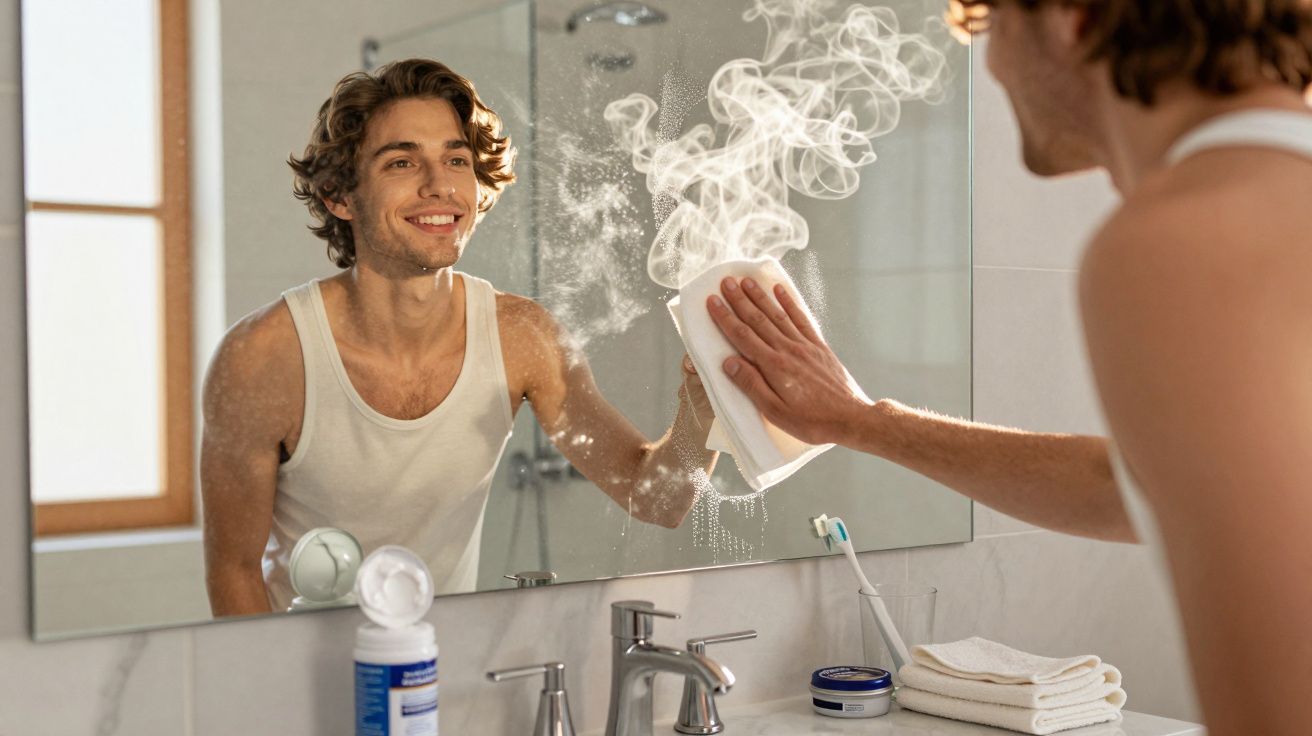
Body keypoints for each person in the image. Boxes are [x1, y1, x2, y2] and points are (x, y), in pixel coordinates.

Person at [708, 2, 1312, 733]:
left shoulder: (1186, 236)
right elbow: (1131, 488)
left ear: (1071, 16)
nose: (989, 65)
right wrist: (860, 422)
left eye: (989, 25)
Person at [202, 59, 717, 616]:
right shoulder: (264, 357)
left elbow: (657, 497)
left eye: (456, 160)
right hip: (301, 676)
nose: (439, 185)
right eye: (402, 161)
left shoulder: (523, 338)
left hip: (443, 668)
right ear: (339, 197)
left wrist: (706, 404)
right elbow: (233, 570)